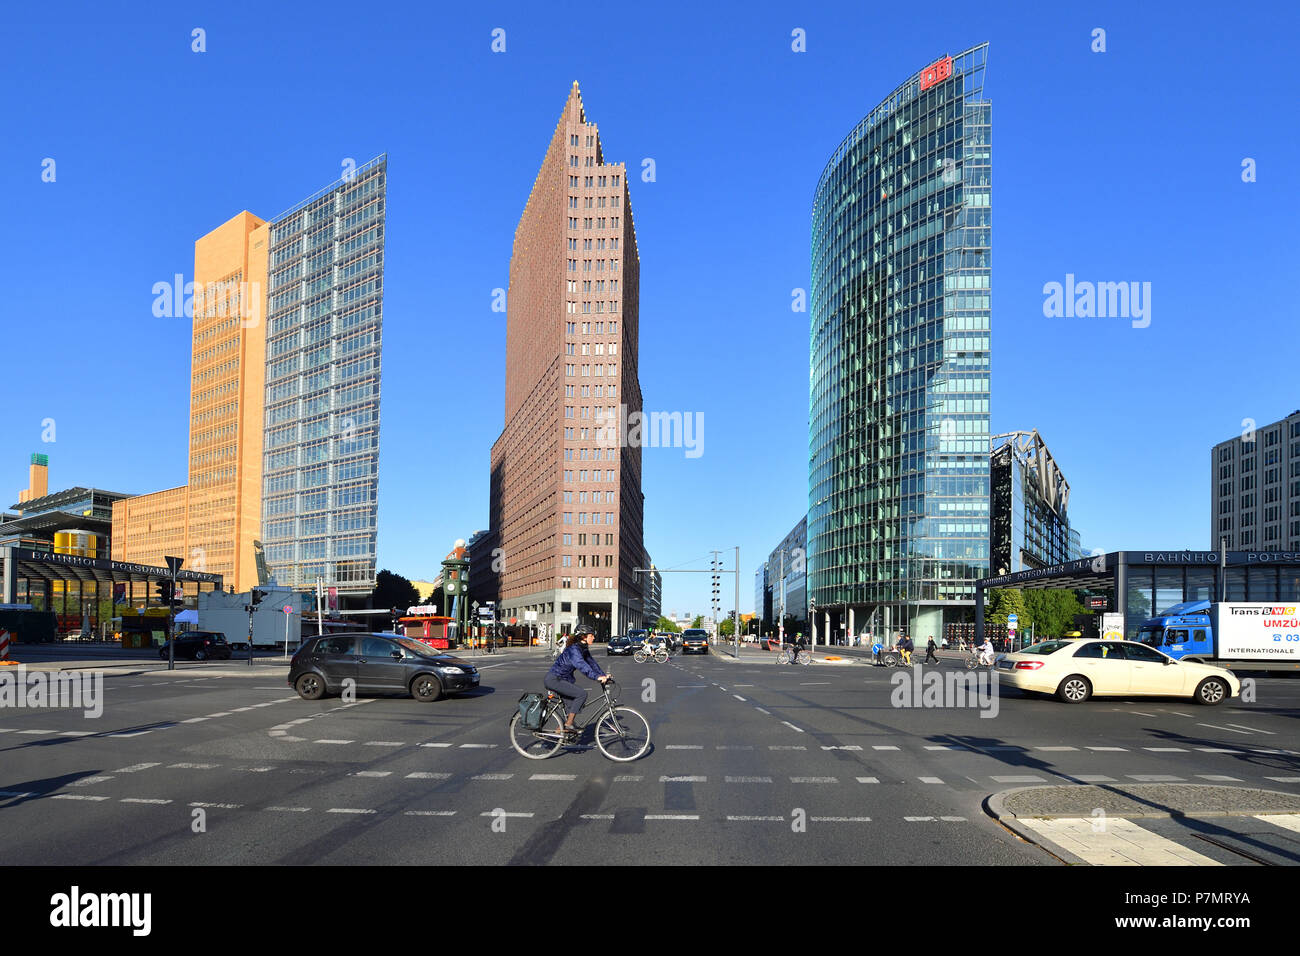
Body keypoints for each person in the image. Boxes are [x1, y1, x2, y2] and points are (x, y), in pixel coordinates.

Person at [545, 625, 611, 736]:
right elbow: (581, 665)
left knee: (572, 708)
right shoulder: (574, 649)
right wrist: (596, 677)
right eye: (591, 636)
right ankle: (568, 724)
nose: (593, 638)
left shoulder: (583, 649)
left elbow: (592, 663)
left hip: (563, 680)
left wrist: (603, 676)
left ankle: (561, 731)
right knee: (581, 694)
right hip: (555, 679)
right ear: (583, 637)